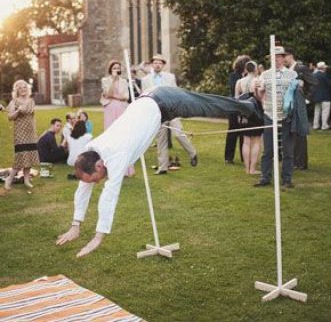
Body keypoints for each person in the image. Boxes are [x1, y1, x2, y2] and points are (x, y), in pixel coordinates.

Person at [56, 86, 262, 257]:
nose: (95, 183)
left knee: (205, 106)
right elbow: (83, 188)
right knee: (205, 103)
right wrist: (76, 225)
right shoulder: (91, 153)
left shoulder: (114, 155)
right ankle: (243, 101)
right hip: (153, 105)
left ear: (100, 166)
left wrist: (98, 237)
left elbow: (109, 196)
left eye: (95, 179)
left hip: (163, 100)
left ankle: (249, 106)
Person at [141, 56, 197, 174]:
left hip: (172, 110)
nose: (157, 65)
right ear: (152, 65)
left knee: (178, 133)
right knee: (161, 140)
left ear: (163, 65)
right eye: (155, 63)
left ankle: (192, 153)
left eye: (160, 63)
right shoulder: (145, 80)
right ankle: (163, 167)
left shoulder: (170, 77)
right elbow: (145, 97)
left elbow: (176, 93)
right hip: (158, 113)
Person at [254, 48, 298, 189]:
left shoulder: (292, 74)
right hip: (269, 115)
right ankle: (265, 178)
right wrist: (257, 91)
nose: (277, 59)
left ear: (284, 58)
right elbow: (259, 95)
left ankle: (287, 179)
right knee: (268, 150)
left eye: (279, 56)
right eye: (275, 56)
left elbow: (297, 94)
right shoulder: (265, 75)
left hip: (287, 116)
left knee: (288, 150)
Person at [100, 59, 134, 176]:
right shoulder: (105, 80)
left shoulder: (124, 81)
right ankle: (110, 168)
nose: (116, 70)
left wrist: (115, 96)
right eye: (114, 68)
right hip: (109, 109)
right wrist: (113, 81)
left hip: (121, 109)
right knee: (111, 136)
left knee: (122, 136)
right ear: (110, 69)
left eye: (118, 68)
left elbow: (126, 96)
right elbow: (107, 93)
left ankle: (125, 170)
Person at [4, 79, 40, 190]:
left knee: (29, 156)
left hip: (30, 133)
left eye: (24, 87)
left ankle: (26, 180)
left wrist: (34, 132)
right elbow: (10, 117)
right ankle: (9, 179)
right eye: (20, 87)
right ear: (17, 90)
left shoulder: (31, 101)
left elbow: (32, 117)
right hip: (20, 133)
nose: (23, 89)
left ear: (27, 89)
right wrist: (18, 111)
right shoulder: (14, 102)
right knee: (20, 157)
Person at [283, 48, 315, 170]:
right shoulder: (286, 71)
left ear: (291, 56)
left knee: (300, 132)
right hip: (289, 105)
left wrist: (307, 99)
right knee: (292, 132)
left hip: (299, 104)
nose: (283, 59)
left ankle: (301, 162)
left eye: (284, 56)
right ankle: (294, 160)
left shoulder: (301, 68)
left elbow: (313, 83)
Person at [235, 60, 263, 175]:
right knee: (256, 141)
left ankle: (247, 169)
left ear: (246, 69)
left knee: (246, 141)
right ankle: (252, 169)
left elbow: (236, 99)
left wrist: (238, 114)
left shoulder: (239, 81)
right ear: (255, 69)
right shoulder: (257, 80)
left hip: (243, 111)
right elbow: (260, 97)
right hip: (255, 111)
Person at [225, 55, 250, 165]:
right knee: (233, 131)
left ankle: (244, 156)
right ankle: (228, 157)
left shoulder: (249, 76)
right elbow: (234, 90)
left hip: (244, 106)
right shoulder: (234, 76)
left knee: (244, 132)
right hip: (234, 107)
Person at [312, 62, 331, 130]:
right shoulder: (325, 75)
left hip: (316, 96)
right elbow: (330, 85)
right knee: (325, 111)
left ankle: (315, 125)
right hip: (325, 95)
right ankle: (324, 125)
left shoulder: (314, 75)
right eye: (325, 67)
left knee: (317, 111)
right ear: (323, 68)